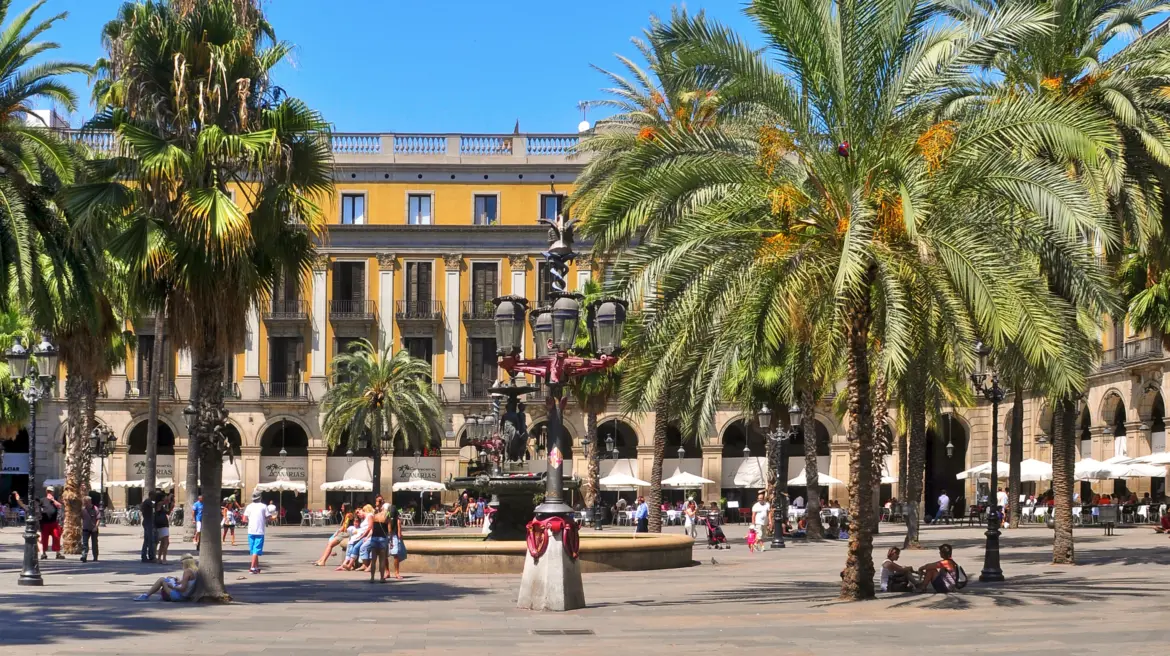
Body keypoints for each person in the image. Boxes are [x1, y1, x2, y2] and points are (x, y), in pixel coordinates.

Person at [134, 554, 199, 602]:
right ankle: (147, 595)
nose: (181, 565)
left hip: (180, 596)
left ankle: (146, 595)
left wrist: (172, 586)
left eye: (181, 563)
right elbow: (187, 583)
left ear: (185, 563)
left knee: (162, 580)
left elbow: (183, 588)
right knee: (168, 578)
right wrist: (179, 581)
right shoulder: (194, 570)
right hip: (186, 595)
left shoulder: (187, 571)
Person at [243, 491, 273, 574]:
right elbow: (269, 517)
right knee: (256, 550)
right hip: (259, 531)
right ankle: (252, 567)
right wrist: (271, 518)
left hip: (250, 530)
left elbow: (244, 519)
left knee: (253, 550)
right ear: (260, 498)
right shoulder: (263, 506)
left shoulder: (249, 506)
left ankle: (256, 567)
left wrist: (251, 520)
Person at [367, 503, 391, 582]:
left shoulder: (375, 516)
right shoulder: (387, 516)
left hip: (374, 538)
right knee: (382, 560)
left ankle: (372, 578)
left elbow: (373, 528)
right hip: (382, 538)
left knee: (373, 560)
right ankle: (381, 578)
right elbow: (389, 530)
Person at [387, 503, 406, 580]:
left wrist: (399, 534)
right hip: (389, 536)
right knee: (389, 555)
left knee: (395, 555)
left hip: (392, 536)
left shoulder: (395, 519)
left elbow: (398, 527)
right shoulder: (388, 517)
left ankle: (394, 572)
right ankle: (390, 572)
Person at [80, 497, 100, 563]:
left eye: (86, 501)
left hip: (93, 529)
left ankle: (95, 557)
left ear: (90, 501)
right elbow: (80, 518)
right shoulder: (83, 509)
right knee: (84, 543)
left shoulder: (95, 509)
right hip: (85, 528)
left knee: (94, 543)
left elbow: (98, 519)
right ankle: (84, 556)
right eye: (84, 501)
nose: (85, 503)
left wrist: (96, 527)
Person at [140, 490, 157, 562]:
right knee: (150, 540)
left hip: (147, 522)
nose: (155, 497)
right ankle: (150, 556)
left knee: (147, 540)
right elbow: (154, 506)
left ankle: (145, 556)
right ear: (151, 495)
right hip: (148, 523)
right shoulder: (148, 501)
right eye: (154, 496)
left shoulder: (146, 502)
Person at [155, 492, 172, 564]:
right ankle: (164, 559)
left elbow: (167, 512)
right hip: (162, 525)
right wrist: (170, 496)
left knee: (163, 543)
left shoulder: (161, 506)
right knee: (166, 542)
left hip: (164, 525)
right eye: (164, 496)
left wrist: (171, 507)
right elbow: (166, 501)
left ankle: (159, 558)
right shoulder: (158, 504)